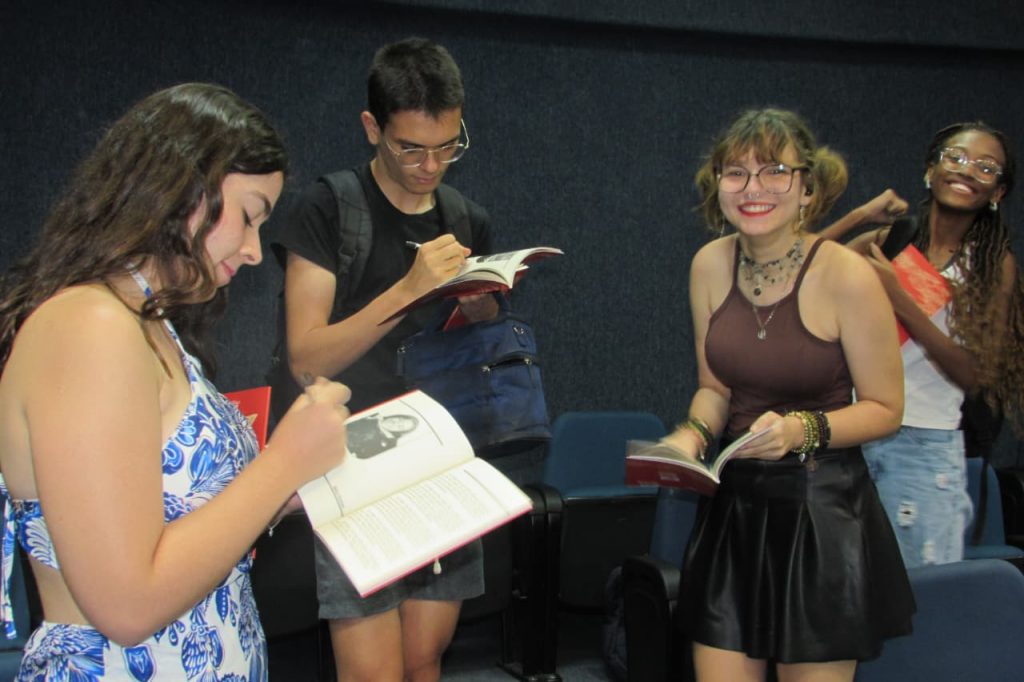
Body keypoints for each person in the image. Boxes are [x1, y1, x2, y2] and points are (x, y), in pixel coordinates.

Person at [0, 82, 351, 680]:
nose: (254, 251)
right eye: (248, 216)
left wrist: (286, 489)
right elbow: (127, 606)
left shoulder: (148, 324)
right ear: (180, 186)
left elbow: (178, 522)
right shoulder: (88, 327)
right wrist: (283, 464)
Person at [270, 37, 497, 681]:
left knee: (424, 660)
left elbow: (466, 339)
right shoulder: (328, 208)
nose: (431, 165)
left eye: (448, 146)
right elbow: (307, 358)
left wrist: (481, 307)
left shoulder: (466, 218)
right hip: (352, 457)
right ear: (373, 128)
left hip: (440, 451)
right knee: (375, 672)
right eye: (411, 149)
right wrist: (409, 289)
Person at [663, 108, 915, 681]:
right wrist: (689, 436)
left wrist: (802, 430)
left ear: (807, 188)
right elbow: (715, 388)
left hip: (821, 513)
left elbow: (886, 409)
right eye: (736, 172)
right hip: (735, 510)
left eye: (775, 171)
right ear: (717, 185)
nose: (753, 188)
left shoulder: (847, 276)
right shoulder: (708, 265)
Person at [820, 122, 1023, 567]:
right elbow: (801, 267)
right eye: (955, 157)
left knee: (920, 598)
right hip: (854, 432)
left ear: (998, 192)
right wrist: (861, 216)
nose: (966, 170)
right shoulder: (892, 240)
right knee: (843, 591)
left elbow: (975, 375)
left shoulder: (991, 265)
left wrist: (899, 298)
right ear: (930, 170)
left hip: (923, 448)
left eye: (985, 167)